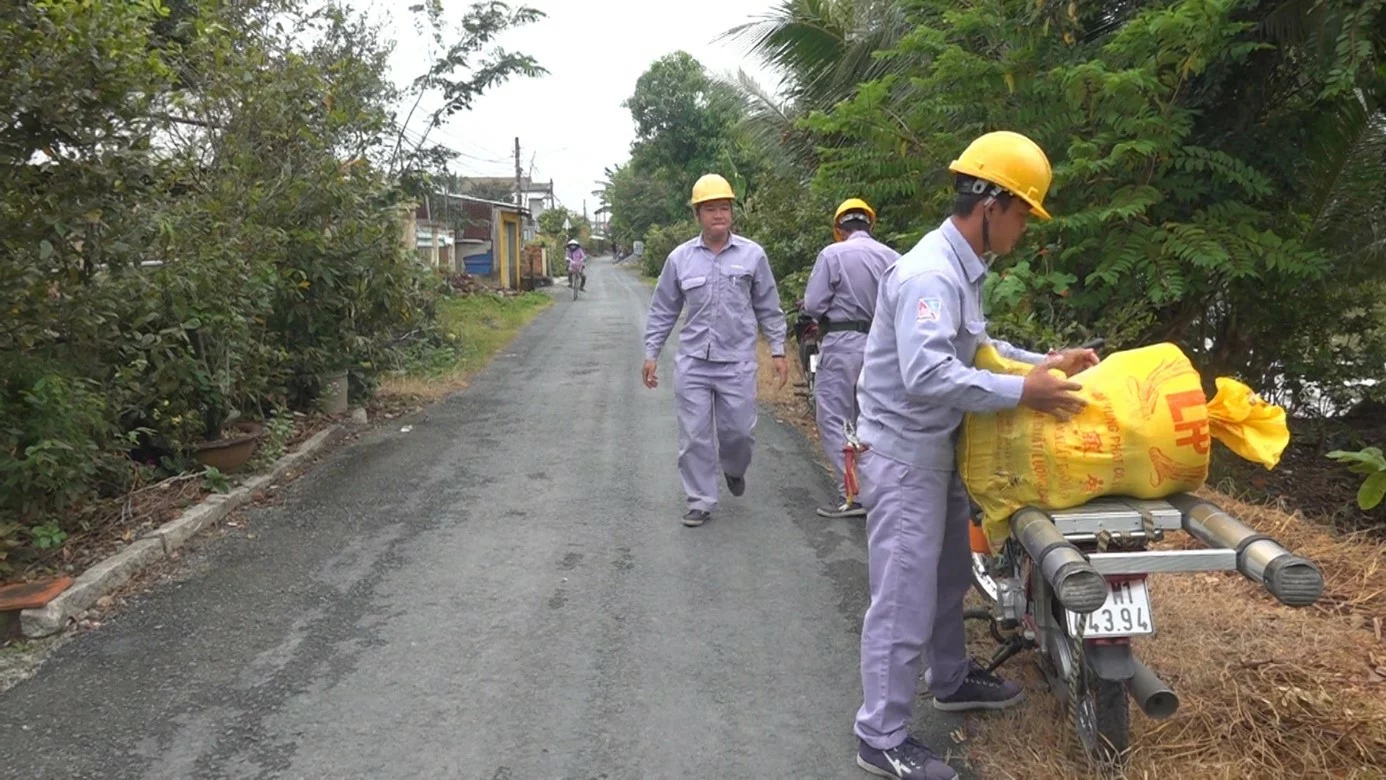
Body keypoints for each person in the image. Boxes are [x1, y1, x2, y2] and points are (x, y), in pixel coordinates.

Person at [851, 131, 1099, 780]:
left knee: (948, 576)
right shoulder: (931, 274)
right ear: (991, 205)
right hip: (904, 458)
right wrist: (1025, 392)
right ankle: (880, 736)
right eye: (1023, 214)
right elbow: (928, 373)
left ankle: (951, 677)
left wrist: (1045, 363)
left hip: (937, 450)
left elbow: (979, 350)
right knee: (902, 598)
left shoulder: (961, 268)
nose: (1025, 228)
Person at [642, 173, 789, 528]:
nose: (719, 215)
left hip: (736, 362)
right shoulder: (680, 259)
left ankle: (734, 469)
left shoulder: (753, 255)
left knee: (739, 433)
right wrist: (651, 353)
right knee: (694, 436)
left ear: (732, 212)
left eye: (724, 208)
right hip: (694, 363)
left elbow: (769, 306)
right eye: (710, 209)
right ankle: (700, 500)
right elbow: (663, 309)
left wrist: (778, 350)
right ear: (697, 215)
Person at [801, 198, 899, 519]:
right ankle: (880, 493)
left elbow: (814, 304)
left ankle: (852, 495)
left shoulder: (833, 254)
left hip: (842, 344)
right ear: (870, 224)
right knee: (873, 420)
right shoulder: (893, 258)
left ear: (839, 229)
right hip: (883, 347)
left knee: (833, 417)